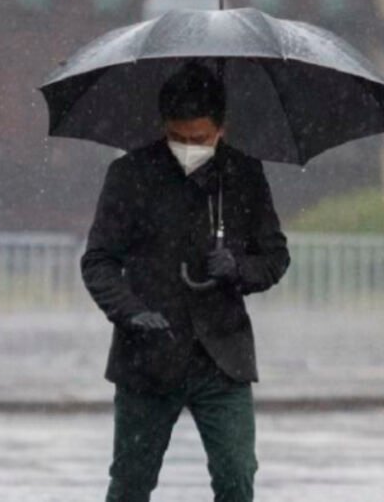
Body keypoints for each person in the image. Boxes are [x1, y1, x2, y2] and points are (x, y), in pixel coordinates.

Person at [81, 63, 290, 502]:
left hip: (223, 357)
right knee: (131, 482)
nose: (189, 148)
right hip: (147, 358)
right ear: (164, 127)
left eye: (200, 139)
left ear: (221, 129)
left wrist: (238, 268)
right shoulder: (130, 174)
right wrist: (131, 311)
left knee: (237, 476)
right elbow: (98, 261)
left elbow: (274, 257)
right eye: (179, 138)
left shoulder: (244, 175)